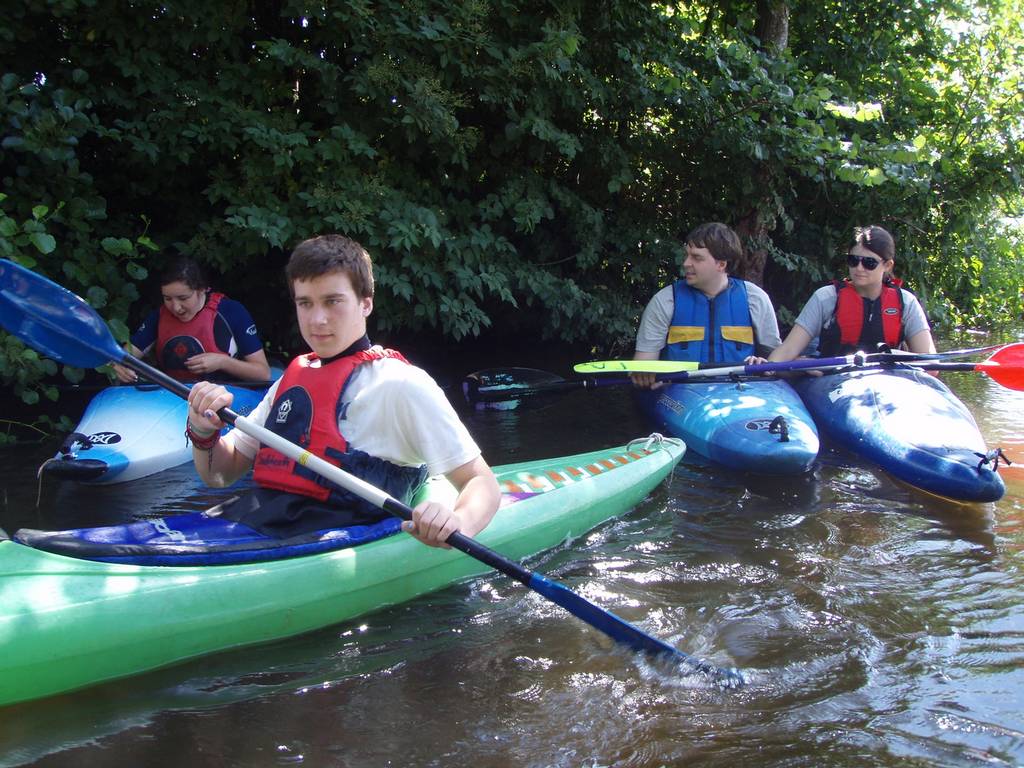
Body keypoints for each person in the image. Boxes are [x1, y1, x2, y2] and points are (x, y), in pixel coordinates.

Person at [184, 234, 500, 549]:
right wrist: (202, 430)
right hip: (261, 522)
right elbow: (220, 474)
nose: (317, 319)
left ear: (366, 303)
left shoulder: (401, 385)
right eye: (305, 303)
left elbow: (480, 482)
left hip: (325, 539)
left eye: (332, 301)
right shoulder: (292, 380)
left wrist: (458, 523)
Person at [631, 221, 782, 387]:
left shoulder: (755, 299)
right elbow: (643, 364)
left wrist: (765, 364)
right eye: (687, 255)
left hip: (740, 393)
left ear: (721, 264)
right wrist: (644, 375)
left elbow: (776, 362)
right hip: (681, 395)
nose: (686, 263)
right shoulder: (666, 300)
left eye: (696, 257)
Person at [758, 225, 936, 364]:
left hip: (887, 380)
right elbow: (788, 349)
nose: (859, 268)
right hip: (834, 378)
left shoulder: (906, 302)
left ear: (887, 265)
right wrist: (765, 366)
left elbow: (929, 363)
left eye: (869, 263)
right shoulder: (826, 298)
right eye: (853, 260)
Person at [112, 257, 271, 383]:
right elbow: (125, 356)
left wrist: (222, 362)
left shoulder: (231, 311)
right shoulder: (159, 316)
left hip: (224, 396)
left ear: (201, 290)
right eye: (167, 298)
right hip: (172, 399)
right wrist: (120, 365)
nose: (175, 307)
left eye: (183, 298)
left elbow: (263, 374)